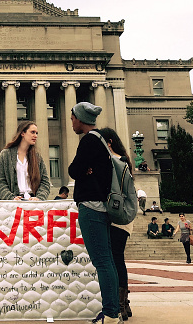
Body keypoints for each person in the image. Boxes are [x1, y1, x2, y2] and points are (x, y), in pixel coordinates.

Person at [68, 102, 121, 323]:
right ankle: (113, 310)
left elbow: (73, 170)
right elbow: (83, 169)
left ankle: (110, 313)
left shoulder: (89, 141)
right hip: (101, 206)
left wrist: (82, 170)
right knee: (107, 260)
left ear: (80, 119)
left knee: (102, 262)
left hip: (91, 207)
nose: (71, 122)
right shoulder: (100, 140)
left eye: (72, 118)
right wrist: (84, 170)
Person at [99, 127, 134, 322]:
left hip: (117, 215)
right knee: (117, 258)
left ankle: (120, 305)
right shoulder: (124, 159)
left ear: (109, 143)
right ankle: (124, 304)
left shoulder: (115, 161)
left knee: (114, 259)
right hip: (124, 216)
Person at [0, 121, 51, 201]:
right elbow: (0, 181)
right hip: (13, 203)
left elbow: (45, 182)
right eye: (32, 132)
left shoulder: (37, 157)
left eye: (36, 133)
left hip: (33, 203)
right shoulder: (5, 154)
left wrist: (39, 198)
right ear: (22, 133)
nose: (35, 136)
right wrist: (11, 198)